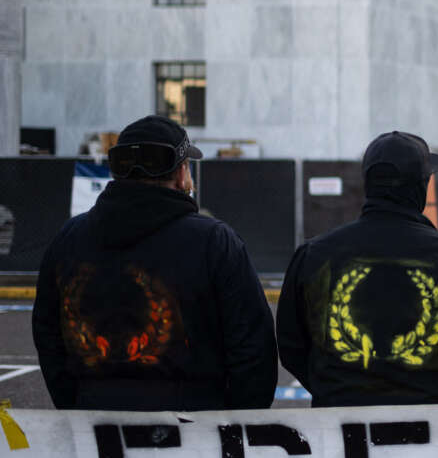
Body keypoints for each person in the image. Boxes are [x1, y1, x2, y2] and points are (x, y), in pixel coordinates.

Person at [32, 115, 278, 410]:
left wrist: (76, 405)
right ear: (182, 173)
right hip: (196, 432)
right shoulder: (214, 242)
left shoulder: (68, 239)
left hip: (94, 427)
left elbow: (48, 336)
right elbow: (253, 351)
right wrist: (232, 427)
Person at [276, 131, 438, 405]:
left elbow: (291, 345)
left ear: (367, 183)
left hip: (340, 432)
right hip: (435, 428)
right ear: (422, 185)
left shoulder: (313, 255)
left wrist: (333, 392)